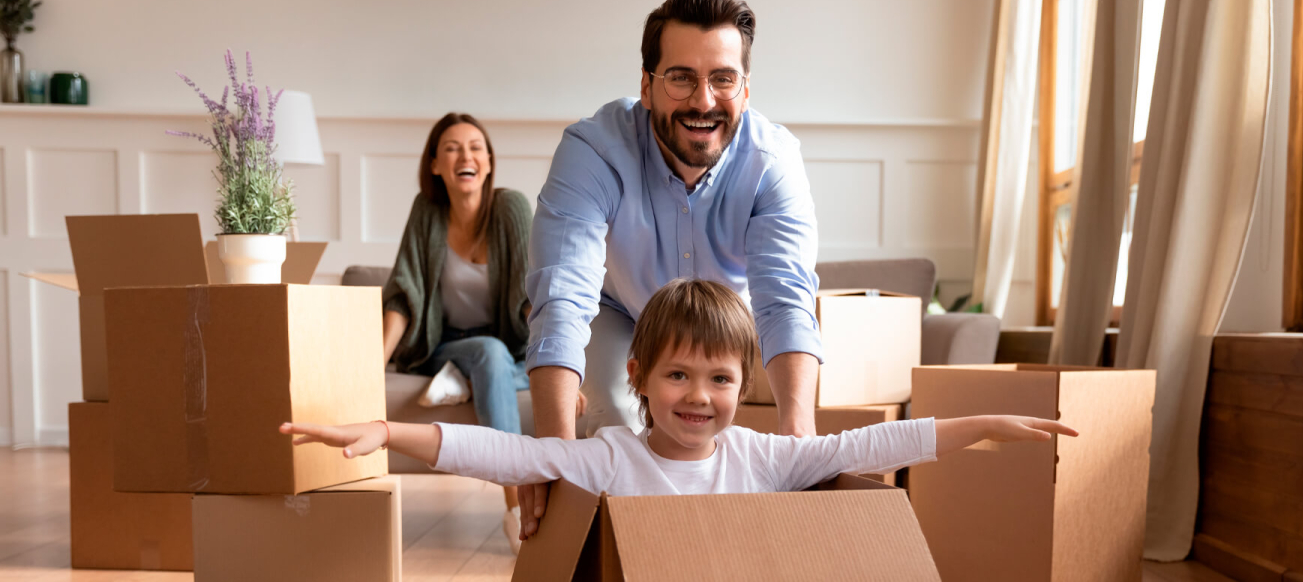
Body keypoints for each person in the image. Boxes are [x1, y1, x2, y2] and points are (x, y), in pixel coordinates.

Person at [283, 279, 1078, 501]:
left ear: (745, 383)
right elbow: (503, 452)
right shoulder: (611, 458)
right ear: (638, 378)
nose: (700, 396)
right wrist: (391, 434)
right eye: (677, 375)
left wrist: (979, 420)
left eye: (721, 378)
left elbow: (871, 444)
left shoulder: (762, 458)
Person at [522, 0, 825, 538]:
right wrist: (552, 453)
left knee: (705, 443)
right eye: (681, 77)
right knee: (615, 425)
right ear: (647, 85)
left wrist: (798, 436)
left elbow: (785, 300)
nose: (703, 101)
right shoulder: (592, 151)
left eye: (723, 79)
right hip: (618, 307)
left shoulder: (773, 163)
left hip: (721, 317)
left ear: (746, 89)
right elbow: (562, 297)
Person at [379, 112, 532, 552]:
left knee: (494, 357)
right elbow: (403, 295)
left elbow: (530, 296)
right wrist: (374, 365)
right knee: (488, 353)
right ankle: (517, 507)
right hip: (441, 343)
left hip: (508, 345)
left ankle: (468, 382)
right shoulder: (426, 212)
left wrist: (557, 366)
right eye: (451, 148)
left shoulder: (511, 209)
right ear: (434, 165)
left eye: (475, 147)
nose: (465, 155)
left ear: (488, 161)